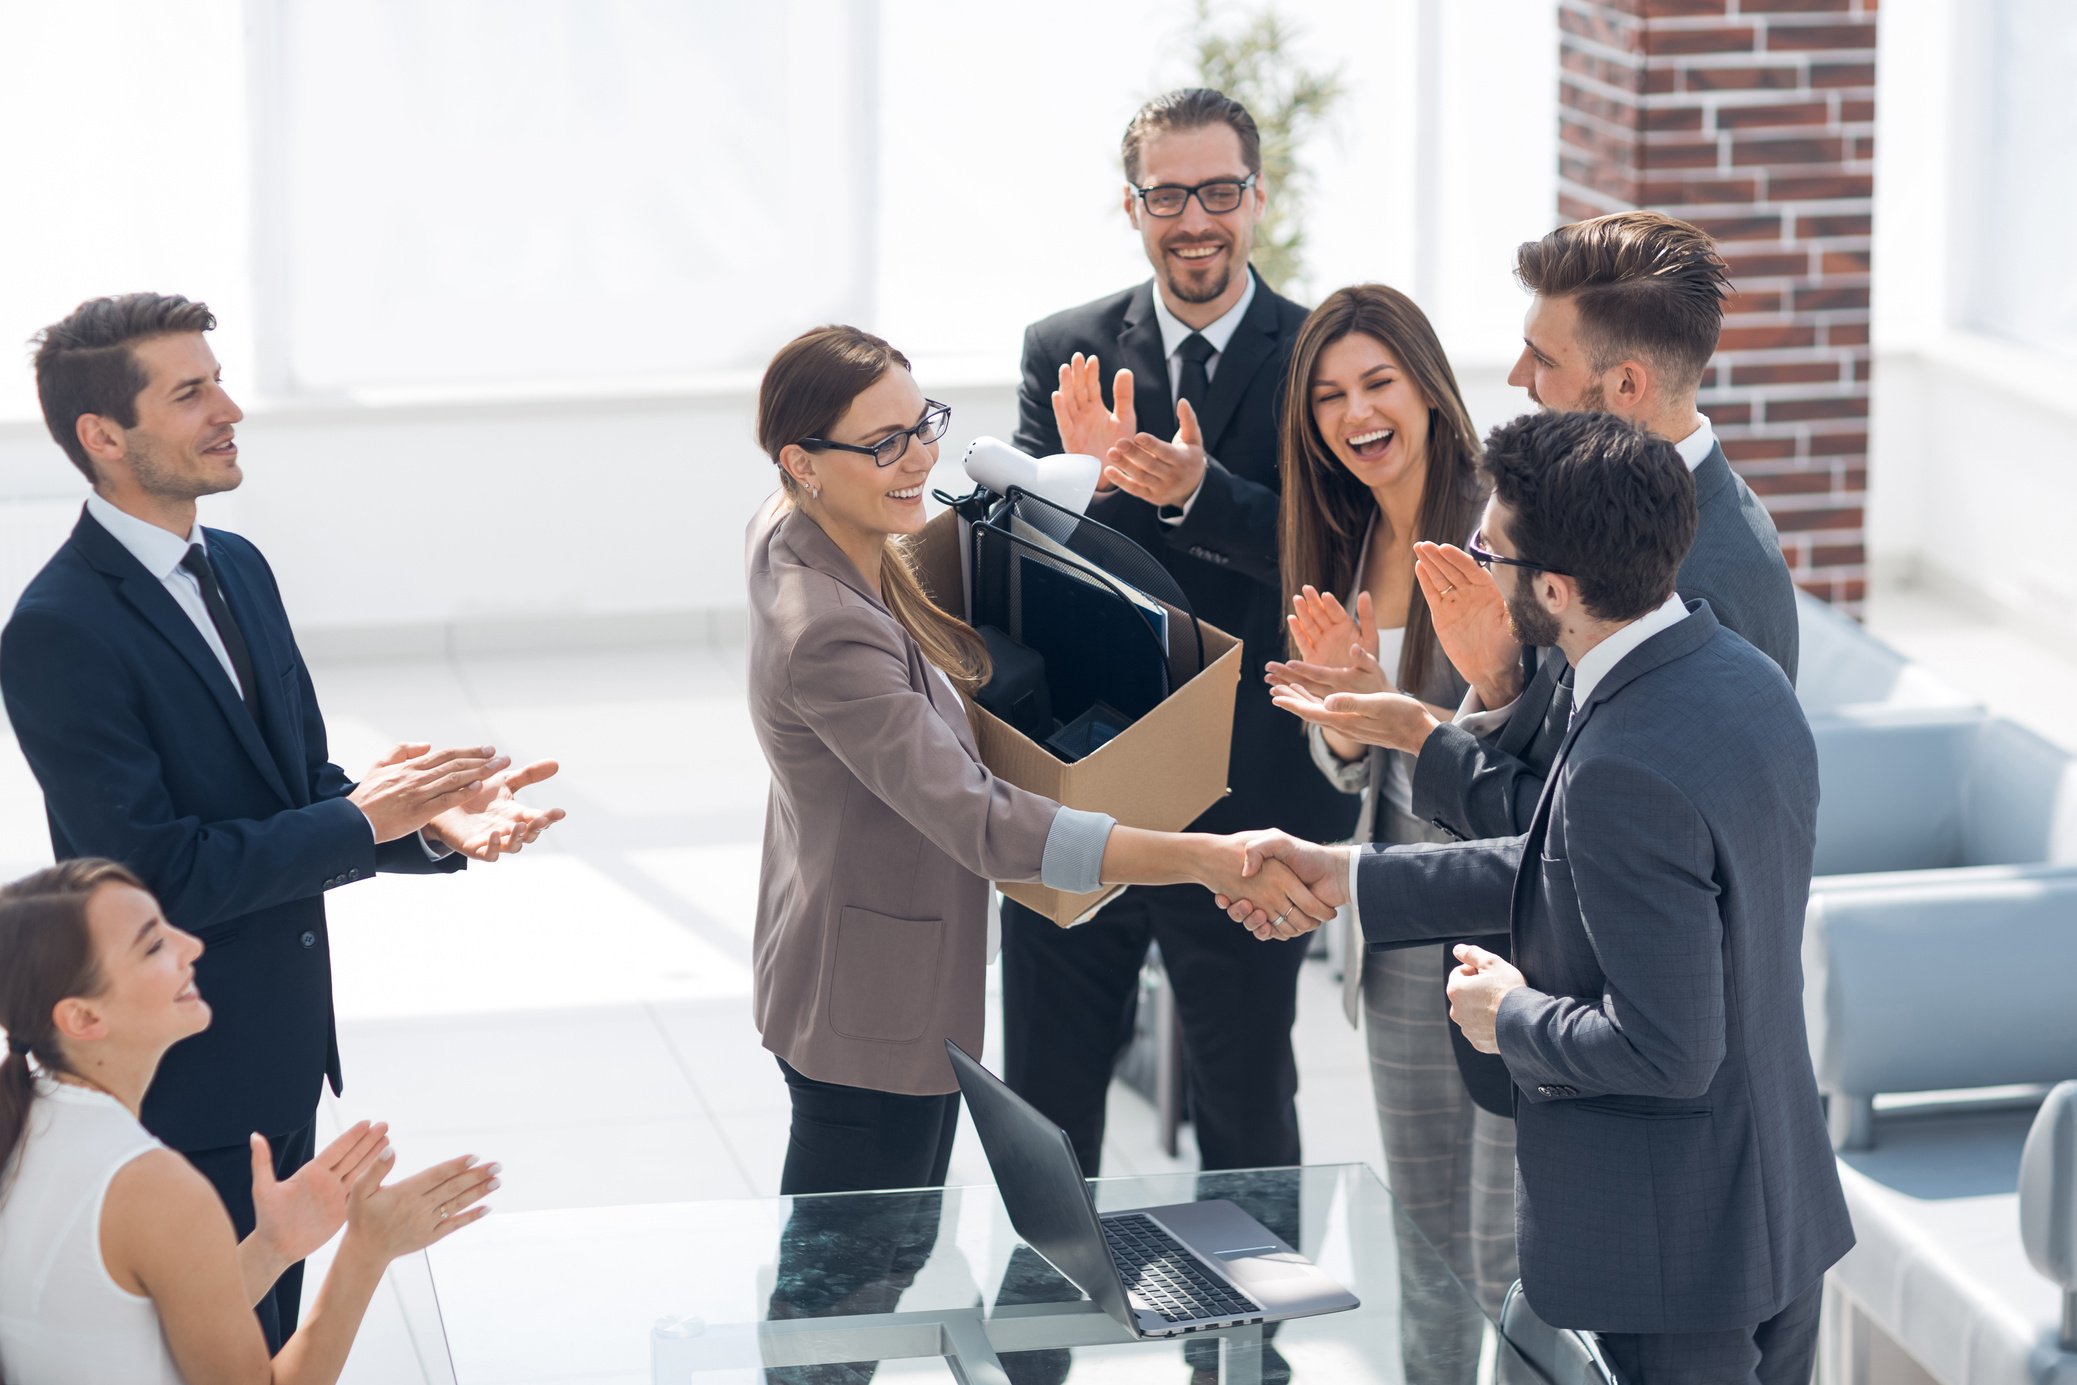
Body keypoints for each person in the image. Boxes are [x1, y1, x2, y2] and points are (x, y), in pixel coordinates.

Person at [1226, 411, 1855, 1384]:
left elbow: (1665, 1047)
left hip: (1673, 1261)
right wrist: (1347, 872)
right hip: (1771, 1211)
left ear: (1554, 588)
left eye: (1494, 552)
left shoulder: (1621, 757)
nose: (1482, 568)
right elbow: (1580, 859)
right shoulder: (1742, 677)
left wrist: (1505, 1013)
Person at [0, 293, 565, 1347]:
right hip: (184, 1076)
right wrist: (365, 817)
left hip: (278, 1057)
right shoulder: (55, 630)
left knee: (267, 1338)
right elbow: (158, 872)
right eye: (191, 391)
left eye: (217, 378)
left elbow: (301, 786)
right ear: (102, 436)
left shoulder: (242, 567)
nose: (231, 407)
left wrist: (429, 823)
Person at [746, 323, 1332, 1200]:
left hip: (850, 951)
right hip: (869, 1006)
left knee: (870, 1274)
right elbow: (981, 821)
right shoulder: (827, 629)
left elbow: (940, 563)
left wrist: (1071, 486)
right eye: (883, 444)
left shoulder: (800, 527)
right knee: (849, 1290)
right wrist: (1199, 857)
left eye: (924, 425)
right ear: (802, 459)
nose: (918, 460)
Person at [1267, 211, 1801, 1122]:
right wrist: (1498, 687)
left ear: (1625, 383)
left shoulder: (1709, 576)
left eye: (1541, 359)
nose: (1518, 381)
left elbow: (1584, 836)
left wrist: (1413, 729)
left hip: (1617, 1080)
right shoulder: (1614, 518)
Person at [1003, 87, 1354, 1179]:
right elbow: (1023, 571)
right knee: (1048, 1103)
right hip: (1087, 789)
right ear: (1132, 204)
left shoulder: (1319, 357)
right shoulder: (1060, 347)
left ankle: (1245, 1351)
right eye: (1168, 194)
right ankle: (1039, 1346)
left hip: (1250, 806)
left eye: (1217, 191)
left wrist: (1200, 492)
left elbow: (1333, 548)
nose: (1193, 217)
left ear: (1256, 198)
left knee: (1246, 1107)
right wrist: (1081, 490)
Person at [1255, 284, 1508, 1367]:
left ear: (1428, 387)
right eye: (1328, 397)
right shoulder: (1347, 543)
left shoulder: (1500, 527)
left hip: (1501, 930)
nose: (1355, 413)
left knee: (1503, 1247)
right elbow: (1352, 761)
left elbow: (1522, 743)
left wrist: (1400, 719)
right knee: (1427, 1242)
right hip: (1399, 933)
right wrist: (1351, 724)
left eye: (1376, 383)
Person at [0, 858, 497, 1384]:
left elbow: (110, 1330)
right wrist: (368, 1251)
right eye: (153, 945)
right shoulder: (151, 1186)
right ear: (82, 1017)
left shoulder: (29, 1121)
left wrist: (272, 1248)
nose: (191, 945)